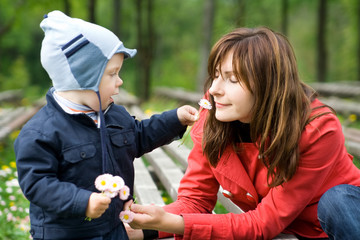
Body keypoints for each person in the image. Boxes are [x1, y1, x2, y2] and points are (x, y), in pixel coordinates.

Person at [125, 27, 360, 239]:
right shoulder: (216, 114)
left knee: (336, 202)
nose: (215, 89)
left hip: (338, 222)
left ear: (268, 85)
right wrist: (143, 229)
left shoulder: (316, 129)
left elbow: (262, 224)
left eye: (232, 79)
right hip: (284, 229)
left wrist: (178, 224)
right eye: (216, 75)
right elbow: (195, 201)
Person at [14, 10, 198, 240]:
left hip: (114, 228)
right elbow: (38, 184)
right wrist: (82, 201)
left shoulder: (114, 115)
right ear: (82, 77)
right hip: (66, 233)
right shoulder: (41, 132)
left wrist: (175, 119)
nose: (120, 81)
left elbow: (140, 135)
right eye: (112, 74)